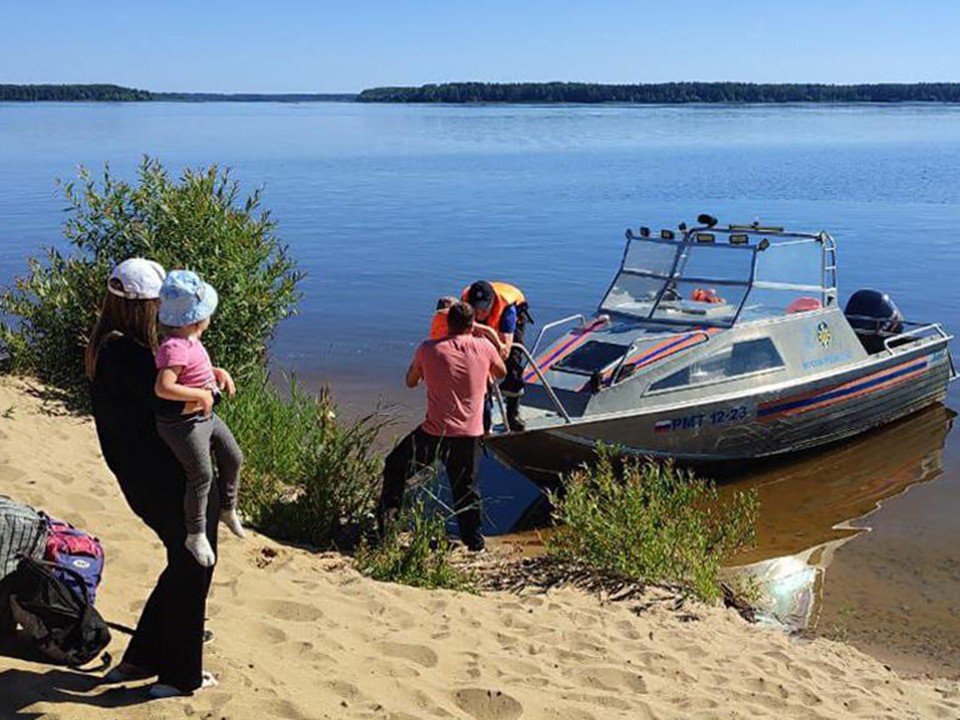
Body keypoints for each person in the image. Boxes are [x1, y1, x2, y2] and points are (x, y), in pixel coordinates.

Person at [86, 258, 225, 697]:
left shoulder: (109, 346)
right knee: (193, 566)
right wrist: (210, 393)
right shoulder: (128, 356)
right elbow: (173, 404)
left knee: (182, 564)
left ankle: (142, 657)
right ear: (146, 306)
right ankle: (179, 675)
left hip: (144, 475)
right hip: (162, 478)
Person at [378, 301, 506, 551]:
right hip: (469, 435)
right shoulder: (484, 348)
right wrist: (484, 339)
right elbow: (500, 371)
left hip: (434, 433)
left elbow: (410, 382)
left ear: (448, 324)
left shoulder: (428, 349)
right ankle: (475, 544)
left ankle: (387, 531)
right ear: (472, 325)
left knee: (395, 467)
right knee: (466, 490)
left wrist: (425, 369)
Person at [154, 270, 245, 568]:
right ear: (197, 318)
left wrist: (218, 374)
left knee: (233, 456)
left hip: (203, 417)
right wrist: (202, 395)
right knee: (201, 476)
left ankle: (227, 508)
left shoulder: (190, 341)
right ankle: (195, 533)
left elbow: (196, 370)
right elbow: (164, 386)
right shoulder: (173, 347)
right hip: (183, 425)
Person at [462, 280, 531, 432]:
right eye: (476, 309)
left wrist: (490, 365)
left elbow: (505, 349)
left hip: (513, 318)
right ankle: (483, 419)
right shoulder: (465, 301)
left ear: (491, 303)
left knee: (514, 361)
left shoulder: (507, 308)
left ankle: (513, 414)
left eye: (483, 309)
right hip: (483, 327)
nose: (480, 313)